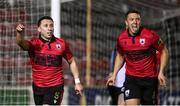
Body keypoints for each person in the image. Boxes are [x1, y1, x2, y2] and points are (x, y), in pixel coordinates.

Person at [16, 16, 83, 105]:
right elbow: (21, 43)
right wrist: (19, 34)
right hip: (38, 87)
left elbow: (72, 61)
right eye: (46, 26)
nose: (49, 28)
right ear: (39, 29)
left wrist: (77, 82)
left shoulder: (61, 44)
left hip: (56, 86)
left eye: (51, 26)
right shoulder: (34, 43)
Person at [106, 10, 169, 105]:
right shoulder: (121, 39)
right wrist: (114, 75)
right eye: (132, 19)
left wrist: (161, 72)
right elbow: (120, 55)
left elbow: (164, 51)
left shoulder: (150, 35)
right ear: (126, 22)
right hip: (131, 79)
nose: (135, 22)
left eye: (137, 19)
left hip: (149, 79)